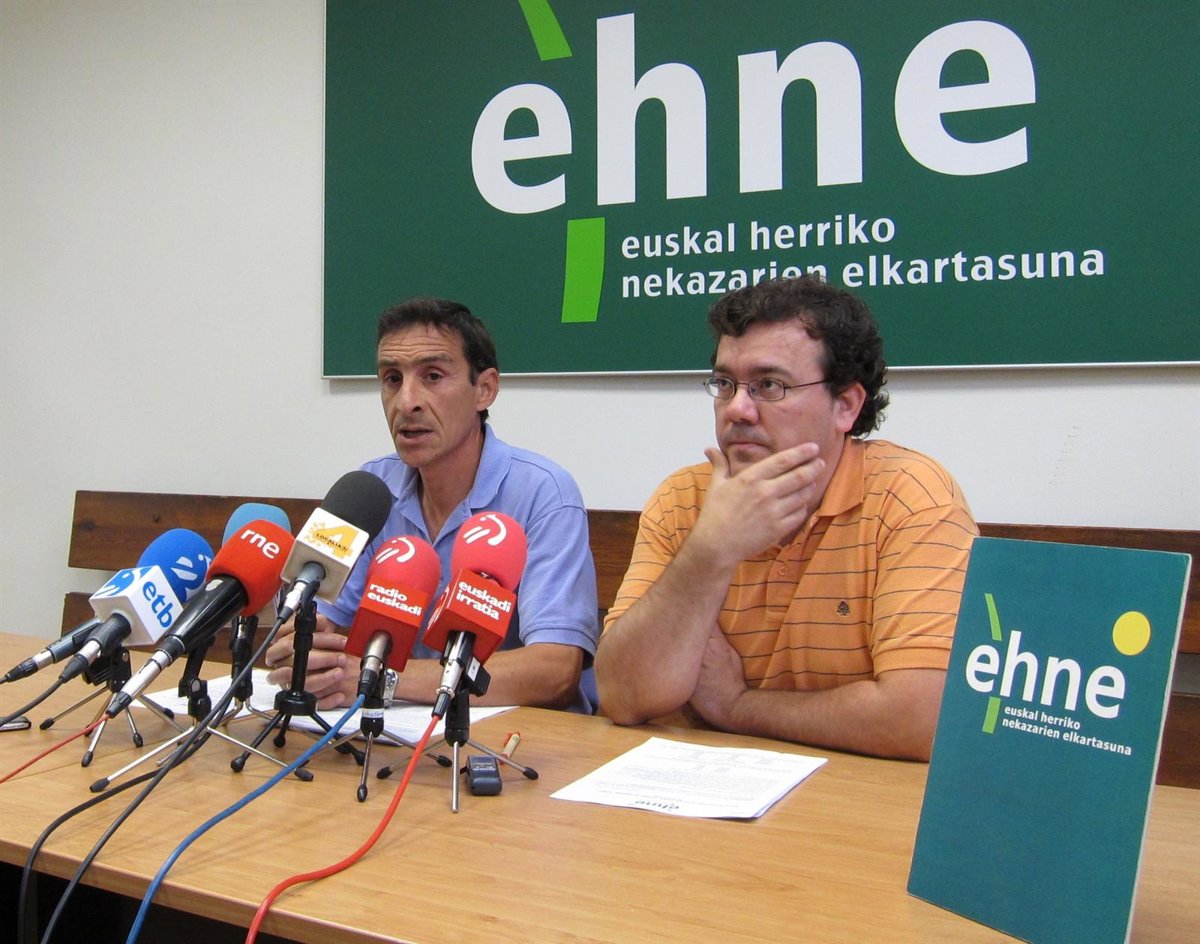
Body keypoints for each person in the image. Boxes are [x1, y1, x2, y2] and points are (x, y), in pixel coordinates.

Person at [595, 276, 977, 759]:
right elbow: (623, 696)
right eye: (725, 384)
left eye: (769, 386)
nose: (737, 409)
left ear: (845, 405)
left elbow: (921, 719)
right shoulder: (683, 498)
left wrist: (737, 708)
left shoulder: (911, 498)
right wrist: (709, 552)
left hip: (852, 793)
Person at [265, 297, 599, 713]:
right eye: (391, 379)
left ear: (485, 389)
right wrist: (303, 652)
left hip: (515, 739)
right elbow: (313, 623)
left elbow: (554, 671)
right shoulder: (368, 489)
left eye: (433, 376)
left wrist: (380, 678)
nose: (407, 402)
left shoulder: (544, 493)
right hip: (389, 731)